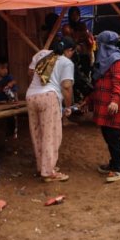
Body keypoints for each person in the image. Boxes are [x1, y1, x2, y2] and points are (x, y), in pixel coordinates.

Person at [25, 37, 76, 183]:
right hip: (49, 97)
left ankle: (43, 166)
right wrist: (67, 106)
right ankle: (48, 171)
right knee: (51, 134)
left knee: (37, 133)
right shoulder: (66, 62)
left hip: (31, 96)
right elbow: (66, 86)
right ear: (69, 50)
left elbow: (30, 72)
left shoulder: (41, 54)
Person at [91, 31, 120, 183]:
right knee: (107, 134)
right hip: (105, 105)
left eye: (99, 43)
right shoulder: (104, 61)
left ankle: (118, 168)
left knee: (114, 136)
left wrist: (114, 100)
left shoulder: (117, 60)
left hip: (114, 106)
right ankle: (113, 163)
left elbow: (119, 82)